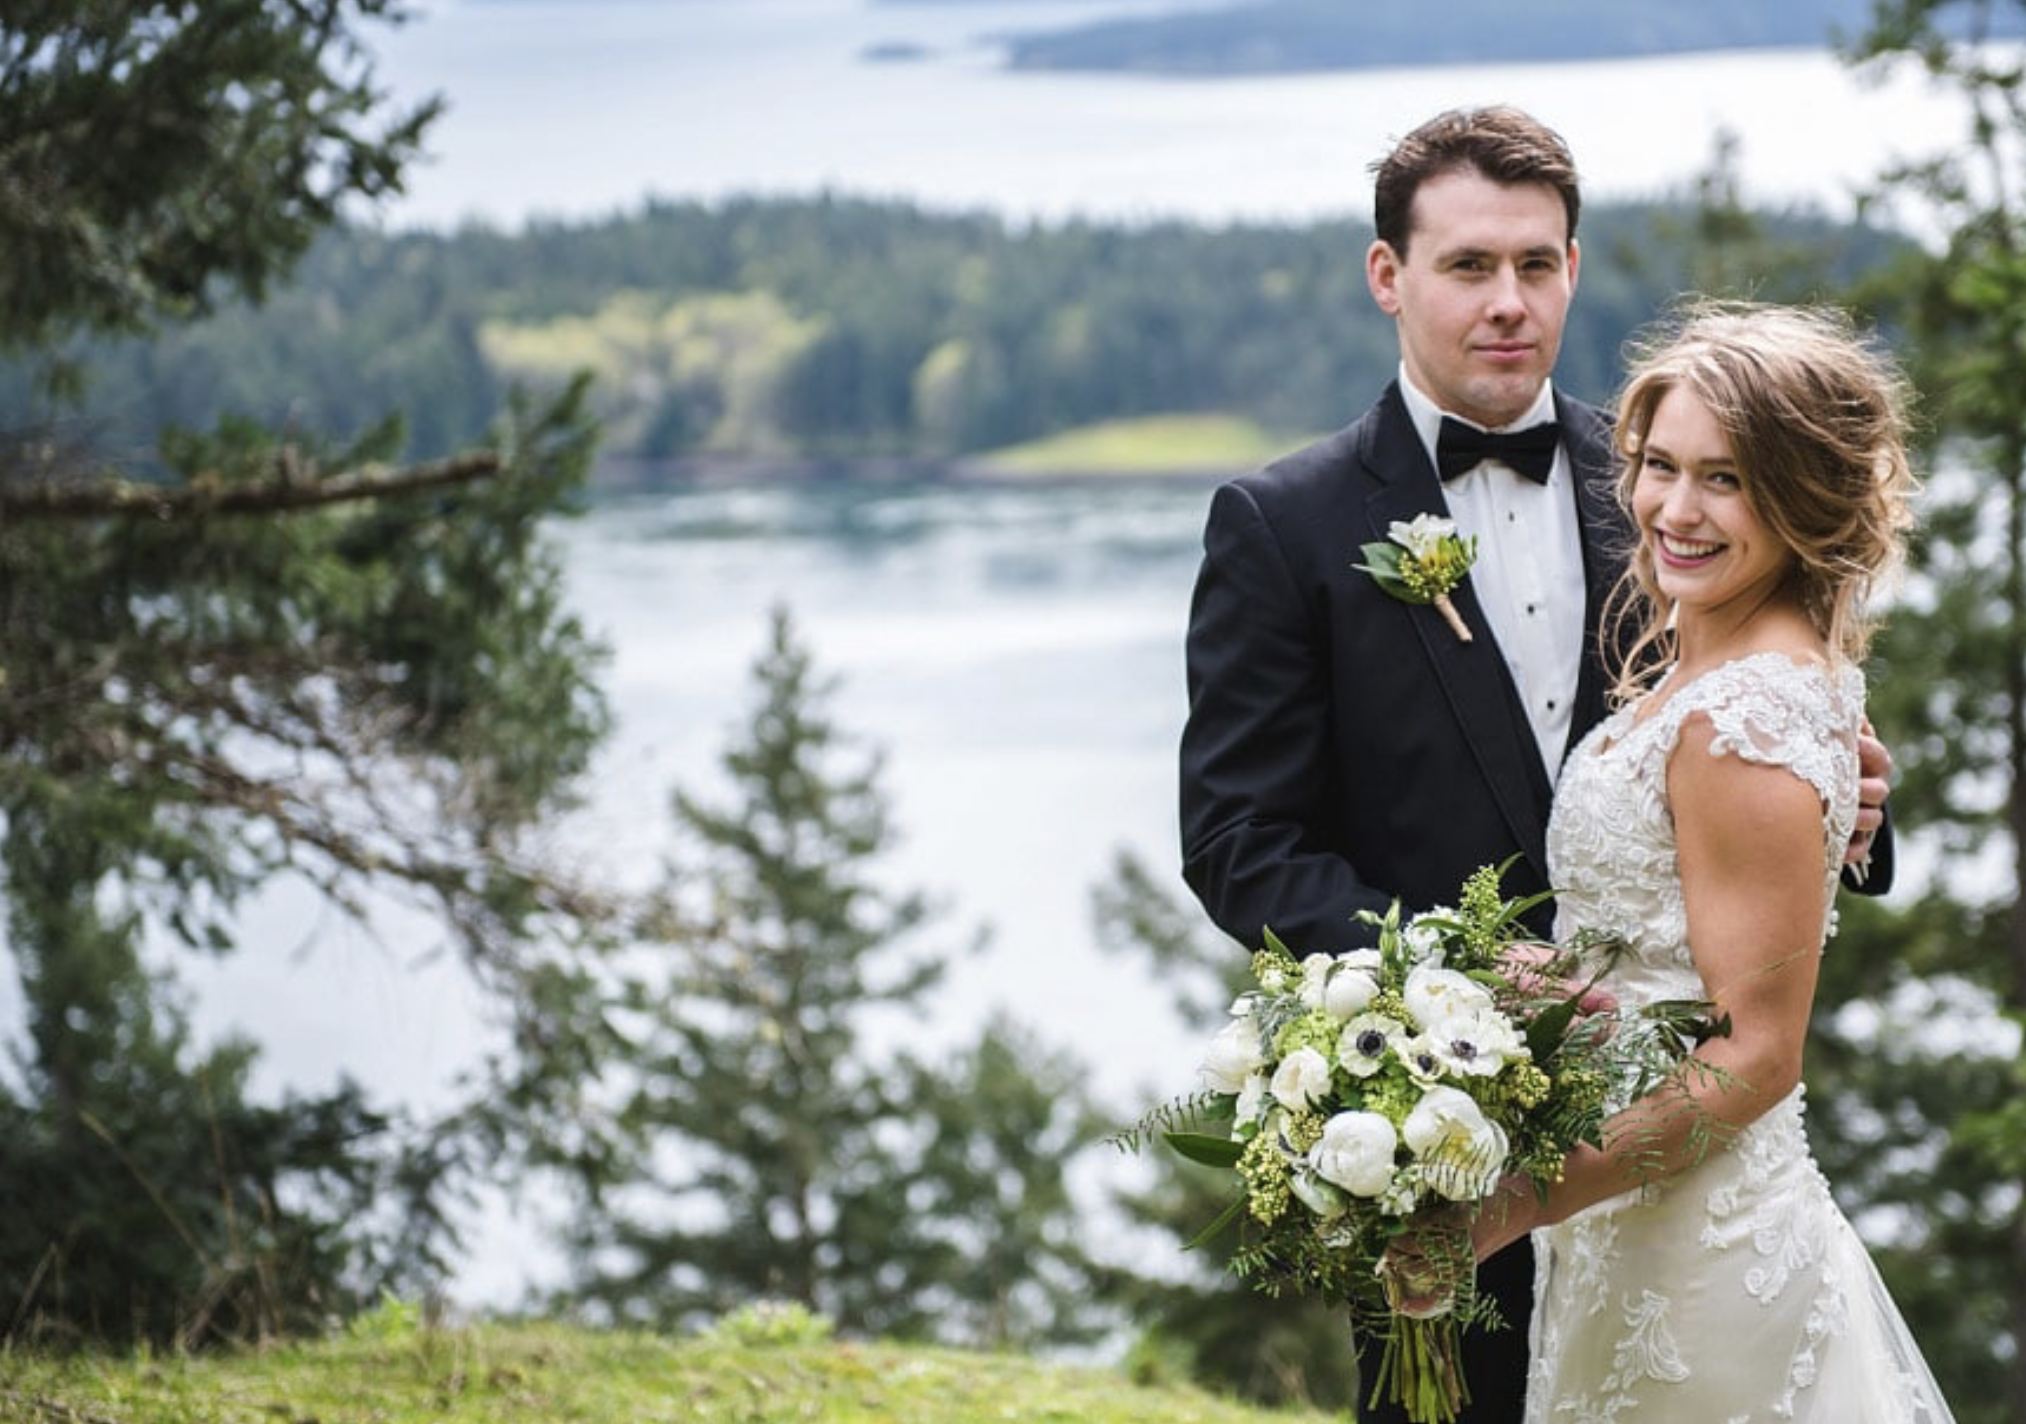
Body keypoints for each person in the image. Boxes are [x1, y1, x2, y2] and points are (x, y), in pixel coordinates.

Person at [1177, 106, 1894, 1422]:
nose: (1508, 302)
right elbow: (1238, 842)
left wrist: (1849, 807)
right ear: (1387, 276)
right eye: (1467, 267)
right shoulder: (1281, 527)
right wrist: (1454, 980)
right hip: (1436, 1123)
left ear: (1571, 264)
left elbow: (1753, 728)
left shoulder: (1666, 487)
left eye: (1537, 264)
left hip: (1670, 1144)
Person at [1442, 299, 1952, 1420]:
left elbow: (1754, 1056)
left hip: (1700, 1259)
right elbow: (1675, 960)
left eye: (1724, 478)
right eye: (1658, 465)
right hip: (1636, 1226)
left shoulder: (1738, 715)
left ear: (1803, 492)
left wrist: (1520, 1197)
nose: (1674, 509)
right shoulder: (1729, 670)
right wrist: (1564, 992)